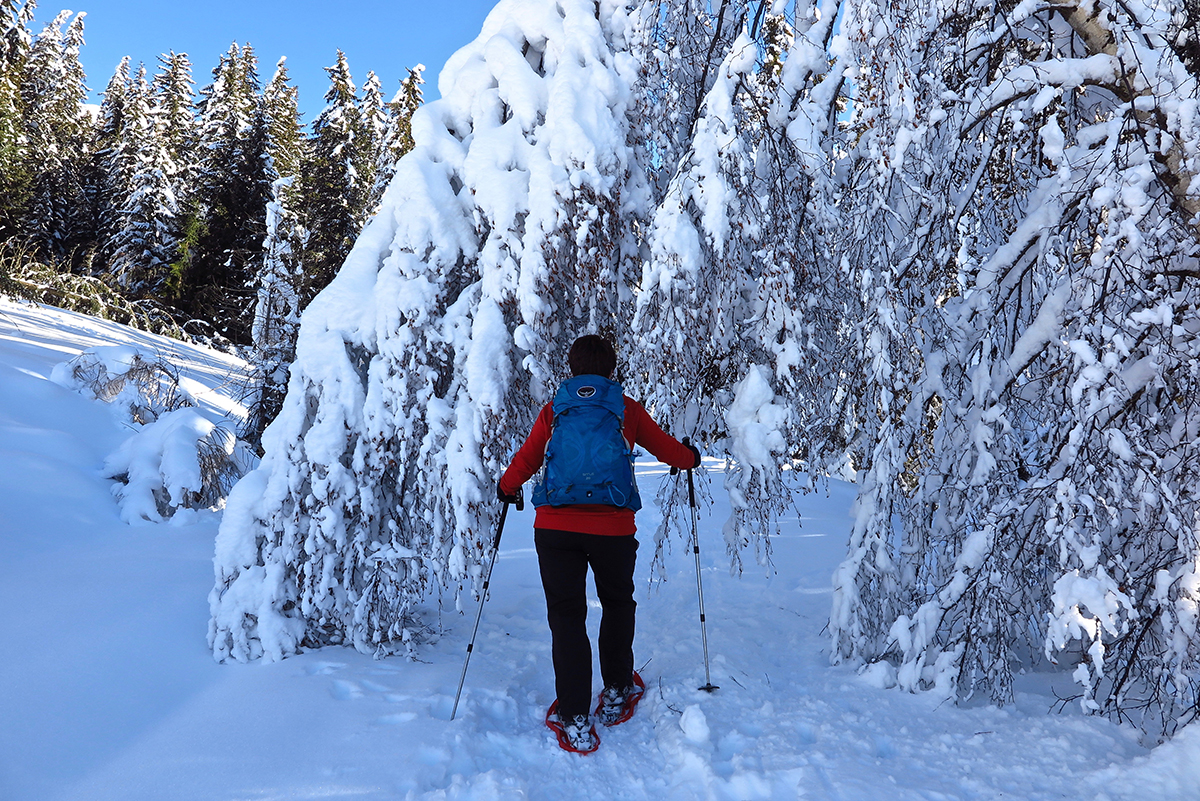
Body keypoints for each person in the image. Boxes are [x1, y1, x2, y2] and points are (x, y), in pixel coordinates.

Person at [497, 334, 700, 753]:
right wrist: (691, 458)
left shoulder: (555, 410)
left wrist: (506, 486)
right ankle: (617, 691)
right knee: (617, 605)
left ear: (572, 368)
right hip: (613, 528)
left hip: (555, 528)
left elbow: (527, 459)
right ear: (610, 368)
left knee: (567, 618)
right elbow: (669, 452)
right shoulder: (626, 410)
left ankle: (573, 715)